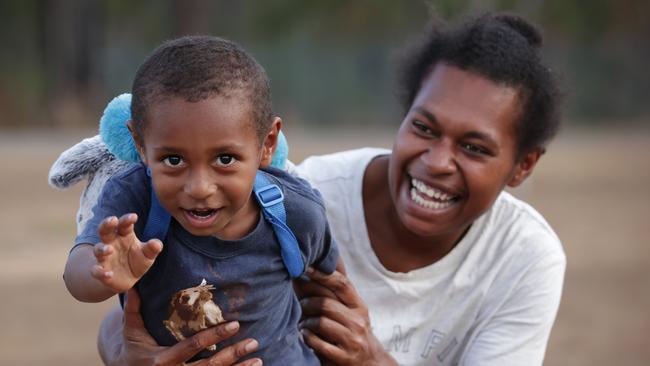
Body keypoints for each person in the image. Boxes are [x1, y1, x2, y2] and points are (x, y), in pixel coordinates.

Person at [83, 11, 565, 366]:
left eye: (475, 148)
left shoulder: (524, 257)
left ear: (522, 166)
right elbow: (135, 311)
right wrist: (126, 355)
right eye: (424, 128)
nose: (437, 161)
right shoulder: (297, 197)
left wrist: (374, 361)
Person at [63, 35, 338, 366]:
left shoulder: (296, 212)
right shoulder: (135, 201)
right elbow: (76, 274)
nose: (199, 188)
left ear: (267, 144)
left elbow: (331, 284)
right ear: (140, 144)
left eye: (224, 159)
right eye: (174, 160)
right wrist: (101, 272)